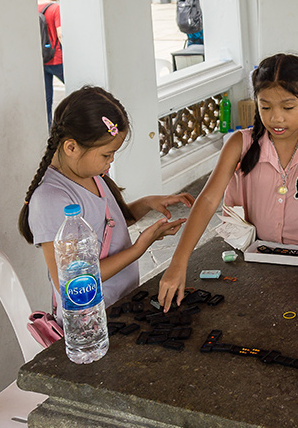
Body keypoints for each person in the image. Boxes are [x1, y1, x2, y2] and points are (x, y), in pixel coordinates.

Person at [158, 54, 298, 309]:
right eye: (266, 107)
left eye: (288, 107)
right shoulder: (240, 144)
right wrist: (178, 262)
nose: (276, 118)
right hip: (253, 255)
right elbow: (207, 200)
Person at [18, 86, 194, 309]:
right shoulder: (50, 200)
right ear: (71, 147)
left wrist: (147, 204)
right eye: (106, 154)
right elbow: (72, 282)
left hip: (120, 303)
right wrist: (139, 248)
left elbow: (107, 226)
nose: (110, 161)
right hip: (91, 322)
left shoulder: (91, 174)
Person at [36, 0, 65, 125]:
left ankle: (48, 132)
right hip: (57, 58)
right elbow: (60, 34)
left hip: (42, 60)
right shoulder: (55, 8)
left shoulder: (33, 8)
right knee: (77, 89)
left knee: (46, 102)